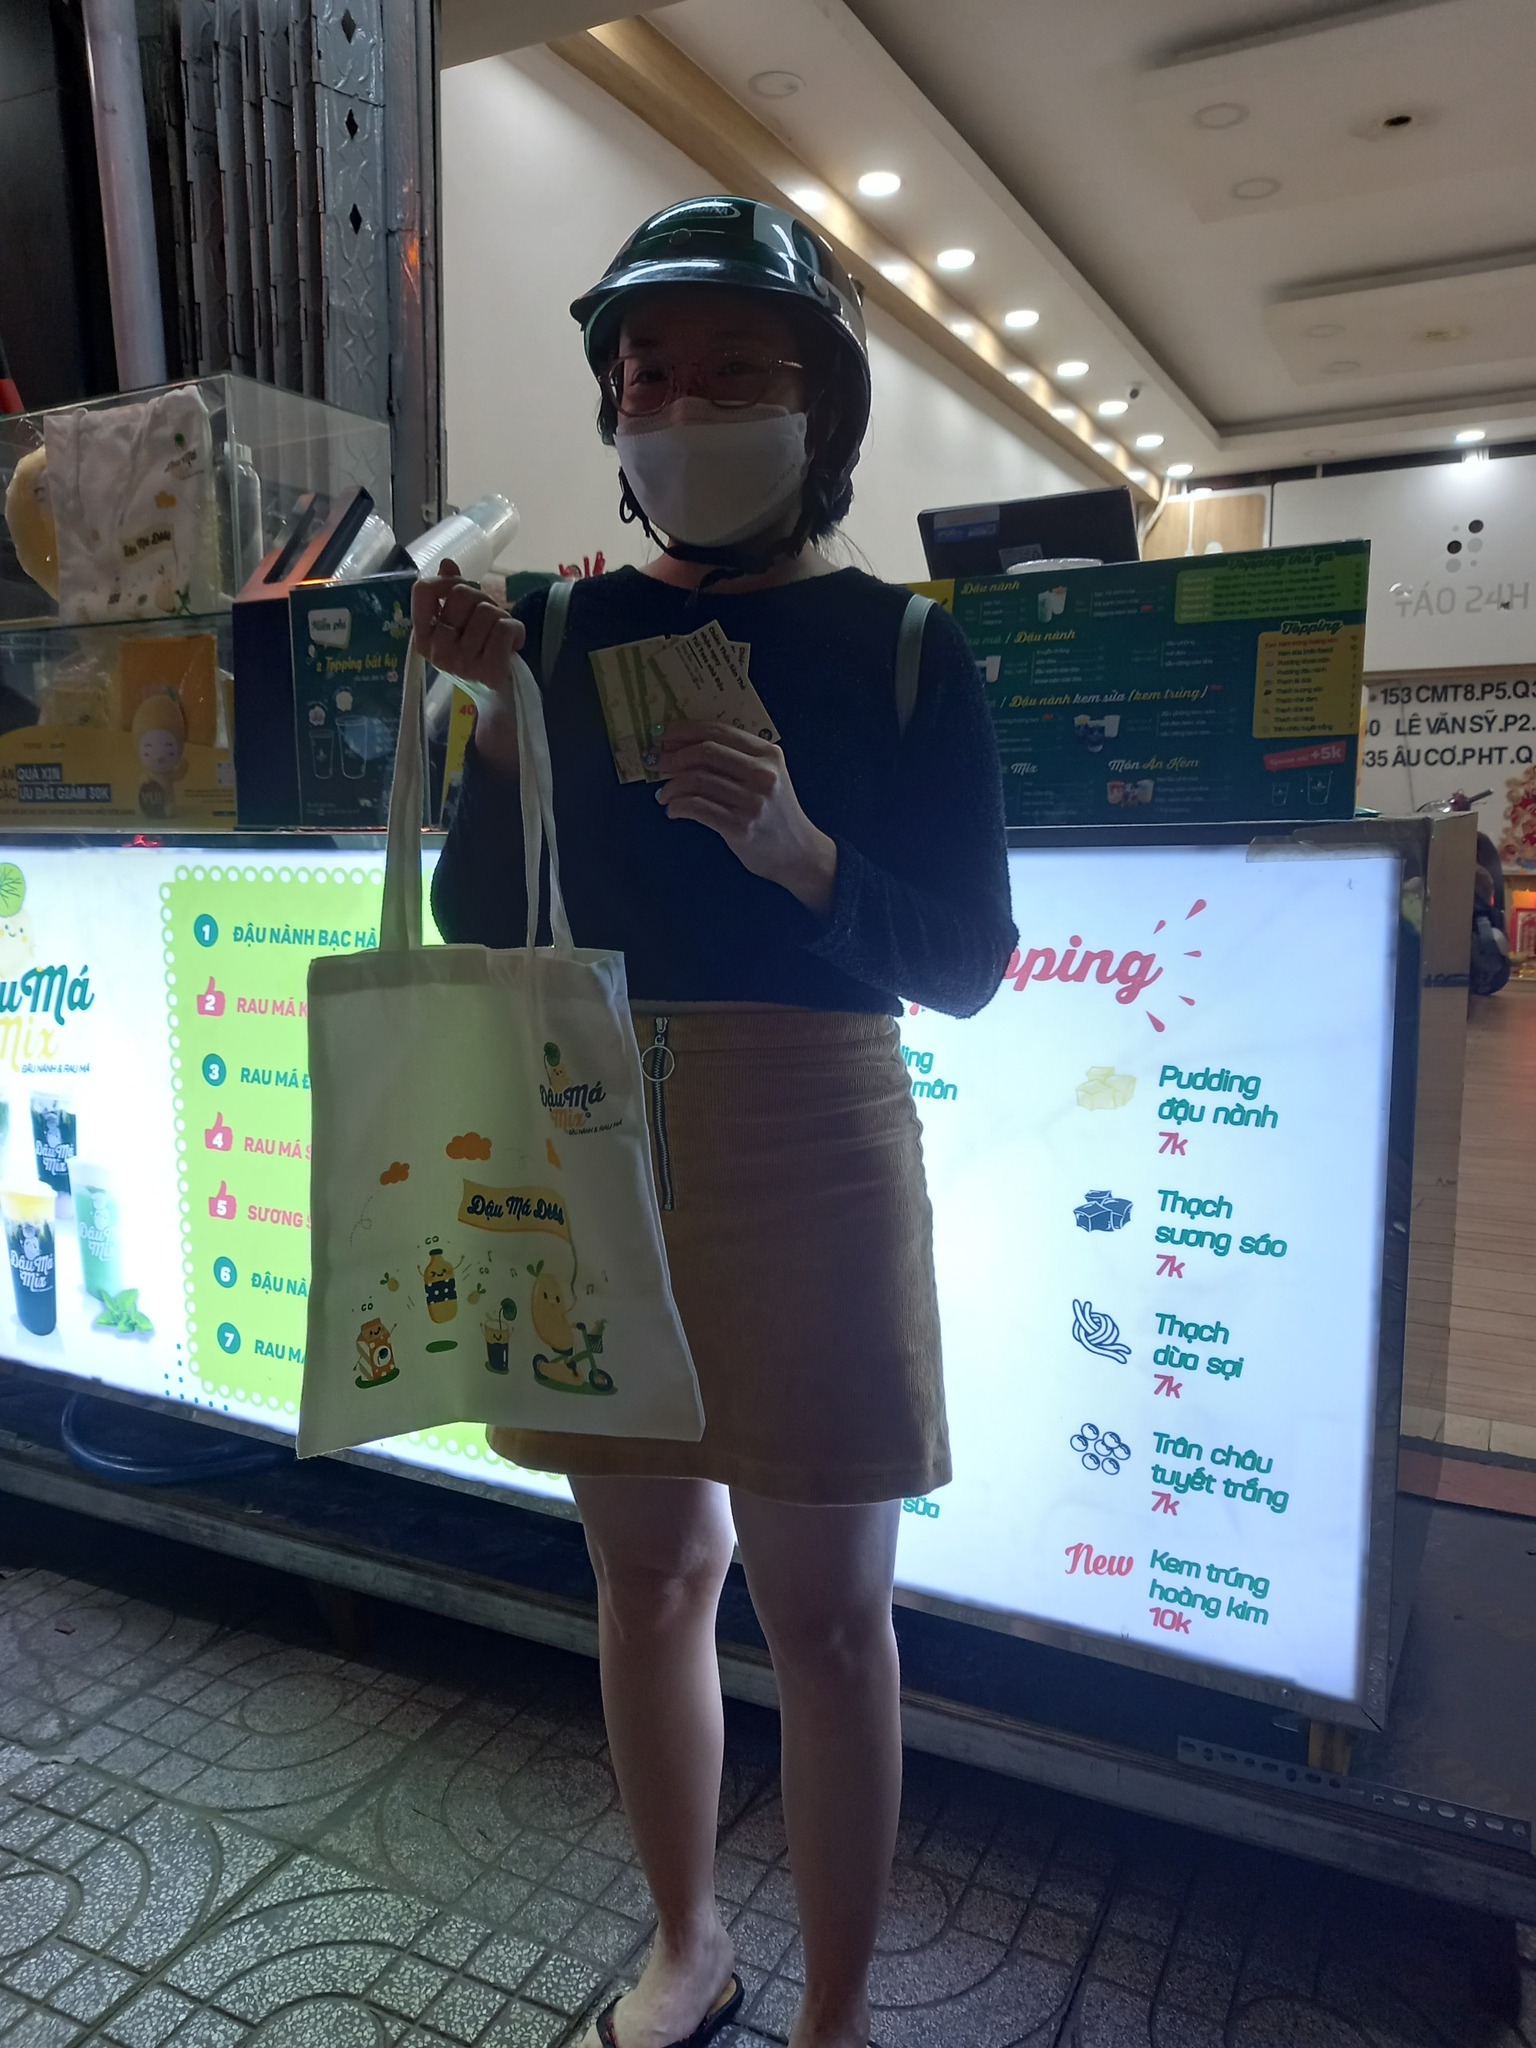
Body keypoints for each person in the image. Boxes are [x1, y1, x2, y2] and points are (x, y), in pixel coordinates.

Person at [416, 196, 1017, 2048]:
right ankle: (690, 1942)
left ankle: (835, 2007)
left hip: (812, 1136)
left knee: (827, 1618)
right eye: (645, 374)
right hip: (589, 1118)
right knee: (651, 1575)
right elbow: (479, 918)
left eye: (730, 370)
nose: (678, 407)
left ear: (820, 405)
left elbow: (970, 964)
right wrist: (494, 726)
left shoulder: (904, 646)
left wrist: (797, 850)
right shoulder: (559, 626)